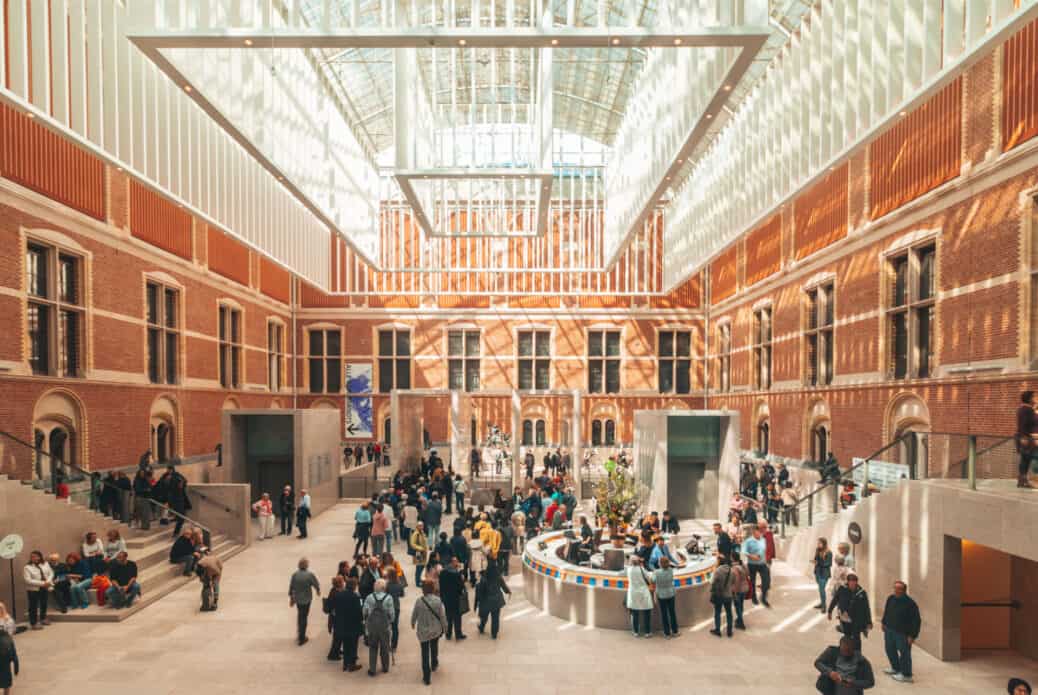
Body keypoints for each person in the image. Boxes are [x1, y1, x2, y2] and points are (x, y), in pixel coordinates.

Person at [881, 580, 921, 684]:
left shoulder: (910, 603)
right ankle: (896, 668)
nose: (896, 590)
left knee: (904, 654)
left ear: (904, 590)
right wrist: (883, 622)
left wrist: (912, 636)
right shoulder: (891, 598)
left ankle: (907, 675)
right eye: (895, 588)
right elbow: (887, 611)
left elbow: (916, 621)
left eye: (899, 589)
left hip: (903, 633)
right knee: (889, 649)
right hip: (889, 630)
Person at [412, 579, 448, 686]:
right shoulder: (438, 600)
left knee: (424, 652)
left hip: (423, 631)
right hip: (435, 630)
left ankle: (426, 677)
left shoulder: (419, 601)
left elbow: (415, 614)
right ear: (433, 589)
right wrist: (445, 628)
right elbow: (442, 616)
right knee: (434, 645)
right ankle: (434, 663)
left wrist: (413, 622)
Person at [828, 573, 872, 651]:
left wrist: (869, 622)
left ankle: (858, 654)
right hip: (845, 618)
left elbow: (866, 607)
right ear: (848, 582)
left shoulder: (861, 593)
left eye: (854, 582)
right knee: (847, 637)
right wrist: (830, 611)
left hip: (857, 619)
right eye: (851, 582)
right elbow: (835, 600)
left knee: (856, 638)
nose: (853, 584)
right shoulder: (842, 589)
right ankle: (847, 653)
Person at [363, 579, 395, 677]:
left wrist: (366, 621)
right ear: (384, 587)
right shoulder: (388, 598)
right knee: (385, 648)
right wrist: (391, 621)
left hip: (372, 626)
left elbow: (365, 611)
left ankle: (372, 669)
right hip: (384, 626)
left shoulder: (369, 597)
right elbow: (392, 613)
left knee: (373, 647)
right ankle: (385, 667)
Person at [333, 577, 365, 672]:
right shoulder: (356, 597)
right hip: (353, 625)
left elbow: (335, 609)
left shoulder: (339, 595)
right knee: (353, 645)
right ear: (354, 586)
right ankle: (352, 664)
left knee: (346, 645)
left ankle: (345, 664)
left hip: (342, 624)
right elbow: (359, 611)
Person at [289, 557, 321, 645]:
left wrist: (291, 598)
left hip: (298, 599)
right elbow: (315, 583)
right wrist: (318, 590)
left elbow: (291, 587)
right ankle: (302, 637)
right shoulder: (309, 575)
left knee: (300, 615)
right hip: (307, 599)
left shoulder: (295, 575)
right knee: (304, 617)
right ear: (306, 565)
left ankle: (300, 633)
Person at [475, 563, 511, 639]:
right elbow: (503, 586)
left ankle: (481, 627)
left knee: (484, 616)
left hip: (486, 601)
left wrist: (478, 601)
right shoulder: (498, 576)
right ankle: (494, 633)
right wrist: (508, 592)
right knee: (495, 618)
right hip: (496, 601)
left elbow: (480, 590)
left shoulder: (484, 578)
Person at [626, 556, 654, 638]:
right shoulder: (642, 569)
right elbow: (649, 578)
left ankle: (635, 632)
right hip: (643, 593)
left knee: (635, 614)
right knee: (647, 613)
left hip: (633, 593)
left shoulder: (629, 570)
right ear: (638, 562)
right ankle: (647, 632)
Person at [438, 556, 467, 641]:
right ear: (452, 562)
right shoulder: (457, 574)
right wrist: (462, 579)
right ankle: (458, 634)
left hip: (446, 598)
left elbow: (441, 585)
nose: (457, 563)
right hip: (455, 598)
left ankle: (448, 633)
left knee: (448, 616)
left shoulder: (442, 572)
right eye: (456, 561)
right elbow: (461, 587)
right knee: (457, 616)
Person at [23, 551, 52, 629]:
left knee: (44, 603)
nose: (34, 558)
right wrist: (43, 583)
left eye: (36, 556)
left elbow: (51, 573)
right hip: (33, 589)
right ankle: (34, 623)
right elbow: (28, 580)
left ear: (40, 557)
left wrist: (48, 582)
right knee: (33, 606)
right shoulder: (27, 567)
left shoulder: (45, 564)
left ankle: (43, 618)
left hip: (44, 587)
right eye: (32, 556)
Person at [743, 526, 770, 607]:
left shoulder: (763, 540)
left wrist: (759, 555)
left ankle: (763, 597)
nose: (758, 534)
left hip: (762, 564)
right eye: (756, 533)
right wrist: (751, 556)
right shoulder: (748, 541)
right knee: (752, 582)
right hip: (752, 565)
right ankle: (754, 597)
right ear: (753, 533)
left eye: (759, 532)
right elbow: (744, 551)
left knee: (766, 581)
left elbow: (763, 549)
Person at [709, 554, 735, 637]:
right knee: (729, 613)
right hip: (728, 595)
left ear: (719, 561)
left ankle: (718, 630)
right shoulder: (731, 570)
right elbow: (733, 581)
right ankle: (729, 631)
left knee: (717, 612)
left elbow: (712, 582)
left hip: (719, 595)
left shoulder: (717, 571)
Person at [653, 556, 678, 639]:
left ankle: (667, 633)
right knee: (672, 613)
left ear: (660, 564)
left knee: (664, 615)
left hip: (661, 595)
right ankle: (675, 631)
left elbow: (652, 580)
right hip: (671, 594)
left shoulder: (656, 572)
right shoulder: (671, 570)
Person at [1016, 391, 1037, 488]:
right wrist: (1024, 437)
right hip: (1027, 438)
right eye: (1033, 397)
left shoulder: (1023, 408)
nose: (1035, 398)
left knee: (1025, 459)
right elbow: (1024, 424)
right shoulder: (1027, 410)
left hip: (1024, 437)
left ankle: (1022, 481)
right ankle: (1024, 480)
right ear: (1029, 399)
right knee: (1029, 459)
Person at [383, 568, 404, 652]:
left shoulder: (387, 585)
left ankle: (386, 644)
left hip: (388, 607)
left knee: (387, 627)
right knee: (395, 627)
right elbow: (402, 594)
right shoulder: (399, 584)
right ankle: (394, 645)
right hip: (396, 606)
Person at [730, 552, 749, 630]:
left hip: (739, 590)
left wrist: (735, 591)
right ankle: (739, 619)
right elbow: (748, 573)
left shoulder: (735, 568)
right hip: (745, 588)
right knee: (741, 605)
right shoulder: (743, 565)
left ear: (733, 558)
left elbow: (737, 581)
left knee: (737, 606)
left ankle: (741, 623)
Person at [813, 538, 834, 611]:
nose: (818, 544)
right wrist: (814, 561)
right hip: (817, 572)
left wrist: (818, 563)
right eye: (818, 543)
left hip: (824, 574)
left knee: (822, 589)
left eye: (820, 543)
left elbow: (829, 563)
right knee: (820, 589)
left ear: (824, 543)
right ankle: (822, 603)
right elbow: (816, 559)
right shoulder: (817, 550)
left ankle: (824, 606)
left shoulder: (829, 552)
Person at [0, 631, 17, 695]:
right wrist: (16, 668)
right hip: (6, 665)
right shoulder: (9, 640)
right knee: (6, 683)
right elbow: (15, 656)